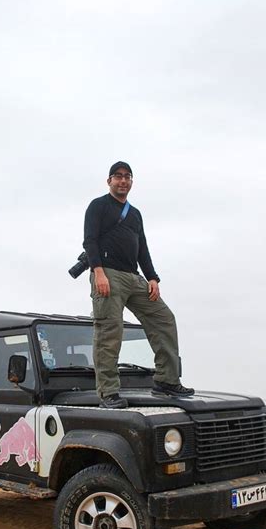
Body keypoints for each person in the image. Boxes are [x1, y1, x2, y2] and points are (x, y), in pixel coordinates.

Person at [83, 160, 195, 409]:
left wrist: (152, 278)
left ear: (131, 182)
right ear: (109, 181)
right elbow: (89, 241)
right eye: (118, 176)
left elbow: (142, 247)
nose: (123, 180)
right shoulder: (98, 206)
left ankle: (166, 380)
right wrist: (98, 272)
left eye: (127, 176)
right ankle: (108, 393)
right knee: (110, 331)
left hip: (133, 277)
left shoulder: (134, 214)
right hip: (108, 274)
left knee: (164, 319)